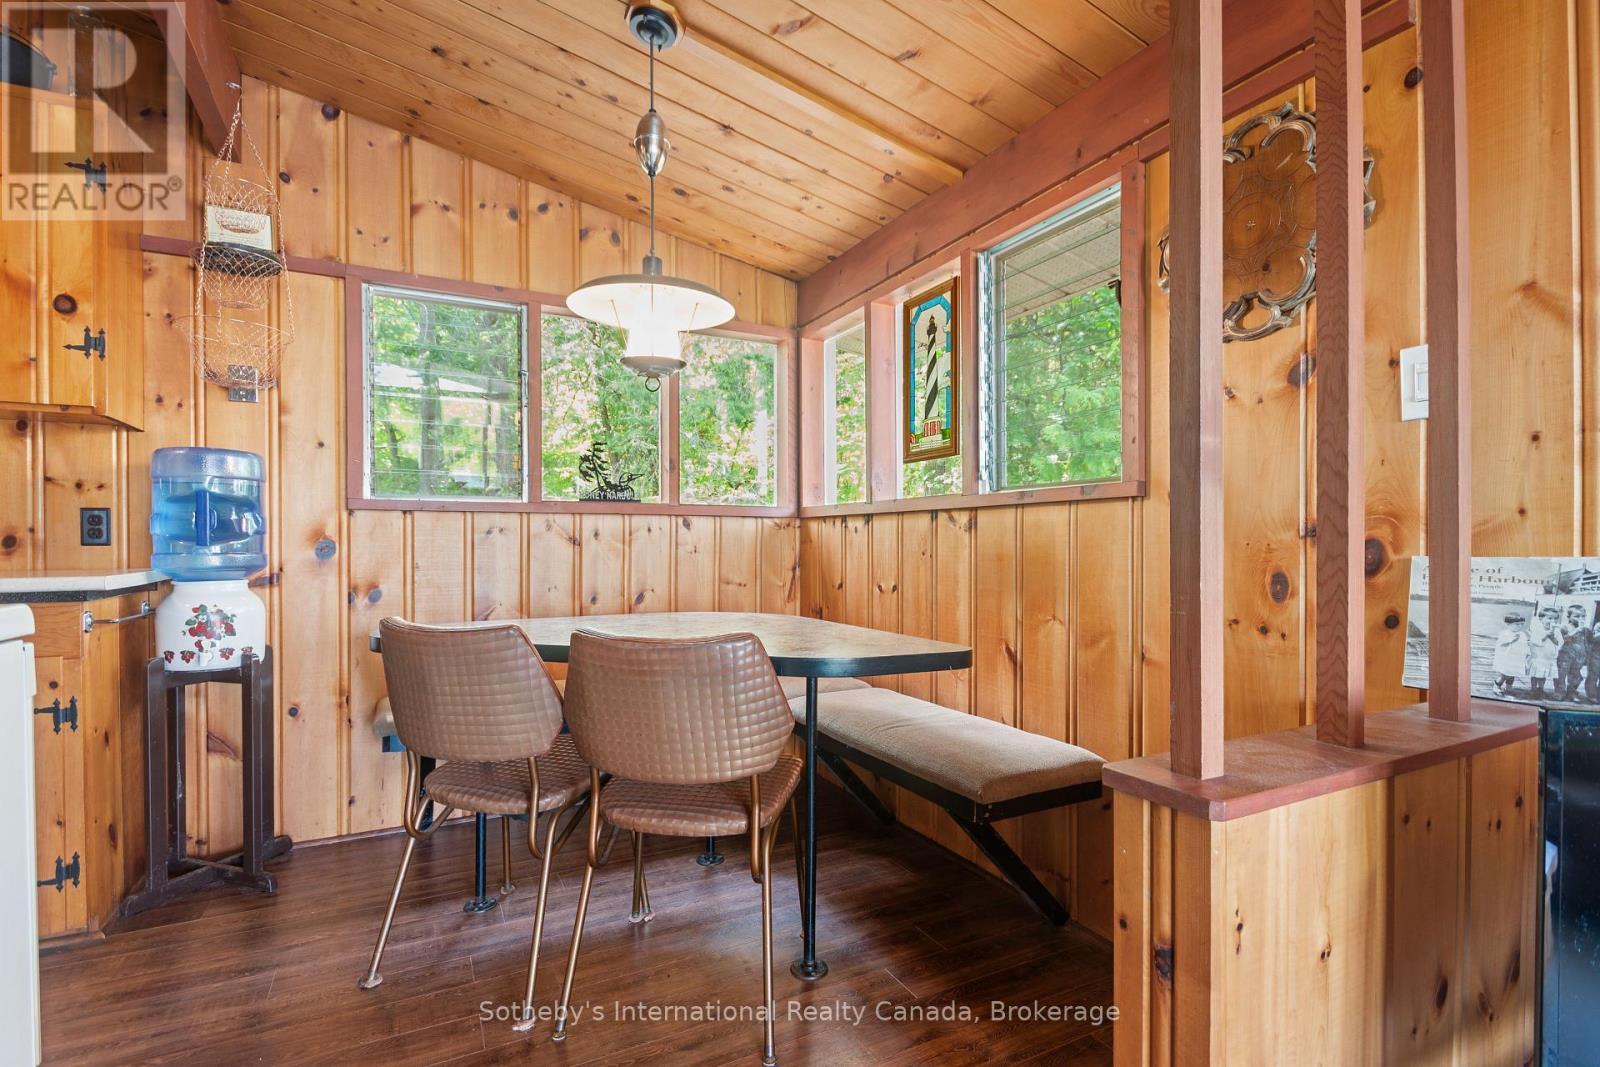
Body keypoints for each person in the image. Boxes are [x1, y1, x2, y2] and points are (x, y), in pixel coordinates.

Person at [1556, 603, 1593, 702]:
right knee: (1562, 675)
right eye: (1577, 616)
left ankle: (1571, 692)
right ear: (1569, 617)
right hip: (1566, 656)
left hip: (1579, 657)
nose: (1580, 618)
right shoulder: (1565, 627)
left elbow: (1588, 643)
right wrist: (1577, 630)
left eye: (1583, 616)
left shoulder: (1586, 630)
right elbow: (1566, 640)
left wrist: (1586, 655)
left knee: (1576, 677)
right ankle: (1560, 693)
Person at [1492, 612, 1531, 696]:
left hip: (1517, 658)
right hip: (1507, 658)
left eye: (1521, 624)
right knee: (1505, 674)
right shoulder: (1505, 633)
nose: (1520, 626)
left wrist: (1528, 652)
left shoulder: (1522, 634)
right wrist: (1511, 641)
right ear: (1508, 624)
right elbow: (1501, 644)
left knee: (1513, 674)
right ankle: (1497, 685)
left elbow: (1524, 644)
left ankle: (1509, 687)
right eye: (1517, 624)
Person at [1529, 604, 1563, 696]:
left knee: (1543, 675)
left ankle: (1541, 688)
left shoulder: (1556, 631)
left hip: (1549, 657)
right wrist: (1545, 635)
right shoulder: (1537, 629)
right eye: (1549, 618)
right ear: (1541, 619)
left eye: (1555, 619)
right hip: (1538, 656)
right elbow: (1534, 641)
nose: (1553, 621)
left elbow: (1560, 643)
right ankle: (1533, 688)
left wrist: (1552, 637)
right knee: (1535, 674)